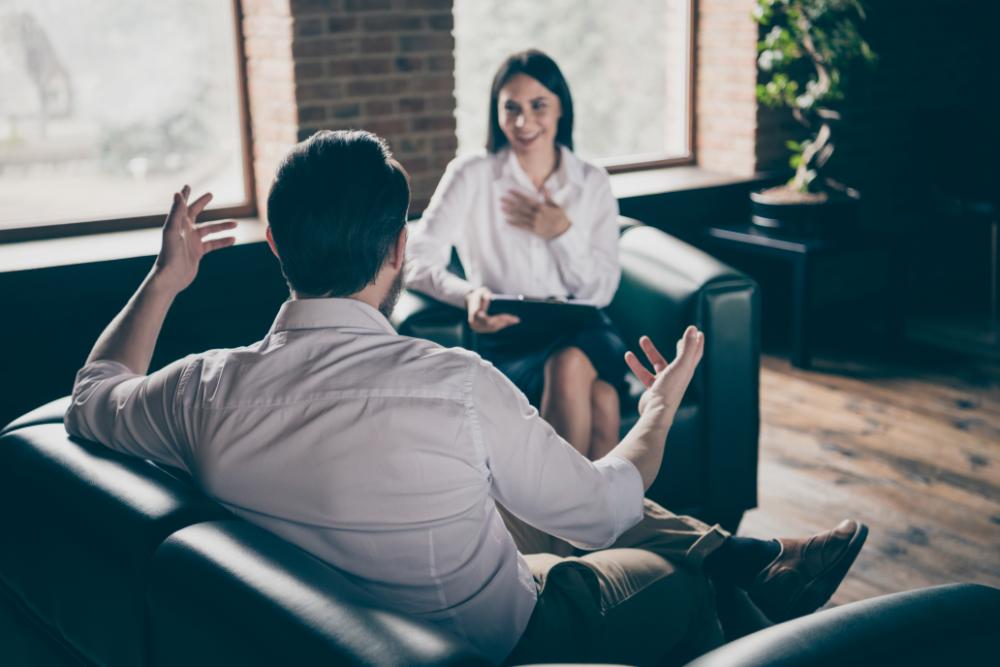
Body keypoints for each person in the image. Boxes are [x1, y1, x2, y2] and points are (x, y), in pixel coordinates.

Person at [65, 130, 867, 666]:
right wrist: (656, 406)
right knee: (681, 582)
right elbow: (601, 508)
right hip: (503, 634)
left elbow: (92, 392)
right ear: (399, 247)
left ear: (275, 244)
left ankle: (756, 561)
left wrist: (166, 277)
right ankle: (769, 609)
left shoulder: (206, 389)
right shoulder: (453, 384)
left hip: (347, 617)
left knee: (521, 495)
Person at [406, 50, 626, 460]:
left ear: (561, 107)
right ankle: (596, 520)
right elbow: (416, 260)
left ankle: (557, 519)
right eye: (512, 109)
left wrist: (561, 232)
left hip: (584, 327)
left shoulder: (591, 182)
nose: (524, 123)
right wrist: (469, 294)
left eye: (538, 106)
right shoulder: (472, 174)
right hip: (508, 334)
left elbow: (601, 290)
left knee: (571, 366)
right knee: (603, 402)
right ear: (497, 112)